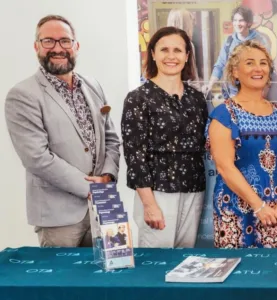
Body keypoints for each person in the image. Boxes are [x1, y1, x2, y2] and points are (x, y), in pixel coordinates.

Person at [4, 15, 121, 247]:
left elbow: (110, 139)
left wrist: (107, 177)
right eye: (49, 41)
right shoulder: (23, 95)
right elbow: (36, 157)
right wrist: (90, 187)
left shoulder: (92, 85)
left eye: (65, 41)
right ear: (36, 46)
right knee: (63, 281)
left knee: (109, 279)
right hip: (59, 215)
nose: (58, 48)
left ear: (76, 46)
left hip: (103, 208)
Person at [207, 40, 277, 248]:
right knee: (237, 276)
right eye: (250, 63)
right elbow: (224, 167)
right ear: (235, 72)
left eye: (263, 63)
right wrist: (258, 207)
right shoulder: (224, 113)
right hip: (235, 212)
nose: (258, 69)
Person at [122, 26, 207, 248]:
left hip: (193, 190)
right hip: (157, 193)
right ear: (153, 54)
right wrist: (149, 205)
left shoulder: (196, 99)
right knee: (156, 266)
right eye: (164, 50)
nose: (171, 56)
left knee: (183, 265)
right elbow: (135, 156)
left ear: (187, 56)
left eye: (178, 50)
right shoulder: (138, 98)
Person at [203, 6, 277, 103]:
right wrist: (210, 85)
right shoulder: (229, 41)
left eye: (241, 20)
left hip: (254, 93)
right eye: (235, 20)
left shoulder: (260, 41)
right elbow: (220, 65)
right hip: (233, 93)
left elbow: (266, 69)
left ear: (249, 22)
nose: (237, 24)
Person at [167, 9, 199, 81]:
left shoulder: (160, 43)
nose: (192, 27)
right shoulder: (187, 44)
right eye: (191, 24)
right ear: (186, 24)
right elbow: (193, 75)